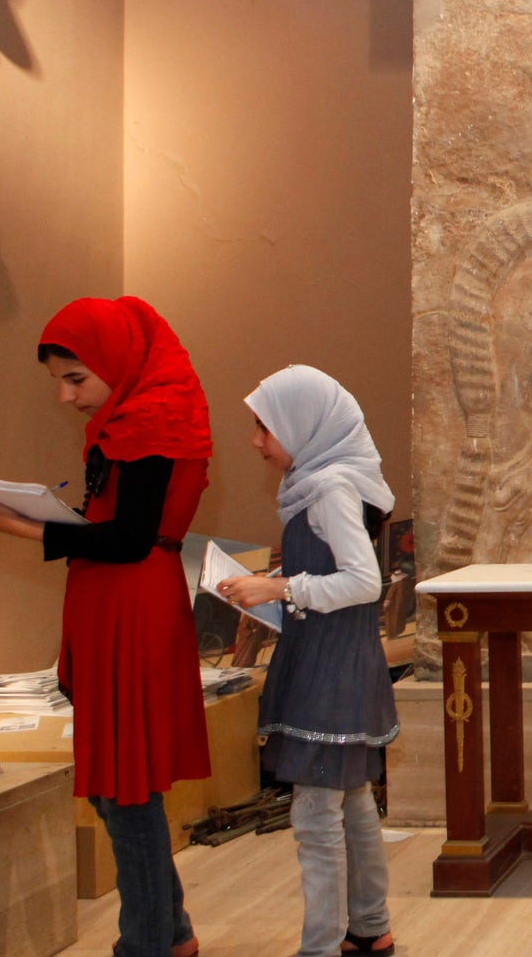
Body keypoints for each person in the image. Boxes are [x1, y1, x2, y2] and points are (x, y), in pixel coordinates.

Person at [0, 296, 211, 957]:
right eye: (59, 382)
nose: (67, 397)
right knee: (116, 788)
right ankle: (170, 934)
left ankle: (147, 943)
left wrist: (18, 524)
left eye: (76, 379)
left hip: (133, 605)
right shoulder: (131, 417)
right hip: (117, 604)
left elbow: (129, 540)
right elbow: (119, 528)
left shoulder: (151, 418)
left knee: (125, 789)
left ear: (116, 362)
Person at [216, 365, 399, 957]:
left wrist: (278, 588)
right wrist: (270, 587)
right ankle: (368, 927)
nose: (256, 441)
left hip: (332, 669)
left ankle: (319, 946)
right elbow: (328, 573)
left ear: (304, 424)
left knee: (316, 815)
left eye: (264, 428)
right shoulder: (325, 483)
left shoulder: (331, 487)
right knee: (350, 799)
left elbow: (363, 582)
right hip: (331, 658)